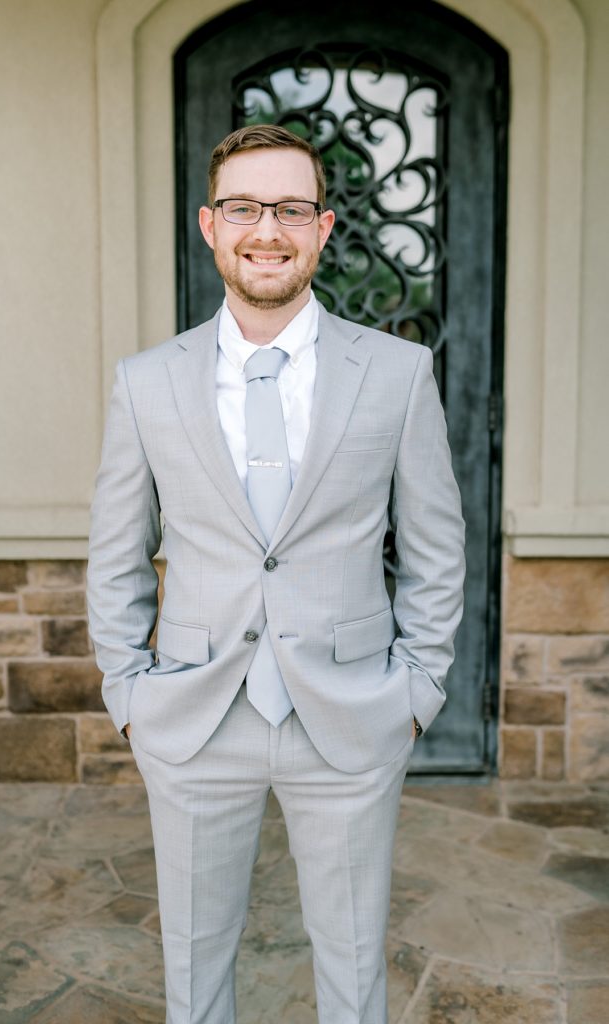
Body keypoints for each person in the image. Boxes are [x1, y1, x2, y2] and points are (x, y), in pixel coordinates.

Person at [87, 123, 465, 1024]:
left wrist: (416, 690)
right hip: (189, 715)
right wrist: (128, 692)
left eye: (291, 209)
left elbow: (435, 548)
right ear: (210, 226)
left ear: (324, 227)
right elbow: (116, 551)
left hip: (350, 713)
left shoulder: (399, 373)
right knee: (193, 969)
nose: (270, 230)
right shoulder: (146, 382)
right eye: (247, 209)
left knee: (351, 967)